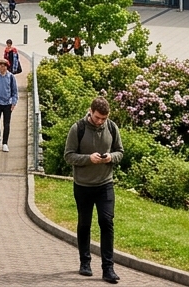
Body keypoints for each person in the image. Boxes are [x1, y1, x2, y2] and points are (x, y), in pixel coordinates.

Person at [64, 97, 124, 284]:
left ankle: (108, 268)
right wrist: (89, 158)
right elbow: (69, 156)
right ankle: (85, 262)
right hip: (83, 185)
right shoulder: (78, 128)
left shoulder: (112, 127)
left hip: (105, 184)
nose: (100, 121)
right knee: (84, 224)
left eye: (103, 119)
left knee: (106, 222)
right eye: (97, 117)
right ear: (90, 111)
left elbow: (120, 152)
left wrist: (110, 158)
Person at [0, 58, 20, 152]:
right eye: (0, 65)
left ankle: (5, 143)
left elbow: (15, 91)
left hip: (7, 103)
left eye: (3, 65)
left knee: (6, 124)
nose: (1, 67)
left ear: (6, 67)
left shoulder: (11, 77)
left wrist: (14, 102)